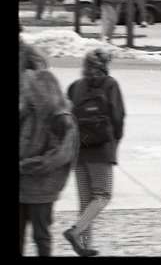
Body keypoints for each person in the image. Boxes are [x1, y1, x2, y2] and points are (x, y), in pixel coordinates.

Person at [63, 48, 124, 257]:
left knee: (86, 202)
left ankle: (85, 247)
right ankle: (76, 232)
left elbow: (65, 117)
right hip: (100, 150)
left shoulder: (75, 86)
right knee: (103, 195)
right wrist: (114, 142)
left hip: (79, 150)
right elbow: (118, 117)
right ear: (105, 65)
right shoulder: (110, 84)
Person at [20, 44, 78, 258]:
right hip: (32, 185)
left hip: (41, 187)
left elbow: (64, 149)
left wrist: (33, 164)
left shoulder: (55, 106)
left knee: (41, 237)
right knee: (40, 237)